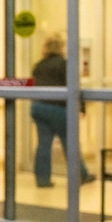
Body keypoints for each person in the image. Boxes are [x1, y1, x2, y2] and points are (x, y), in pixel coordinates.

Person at [30, 34, 92, 188]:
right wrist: (81, 108)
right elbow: (74, 87)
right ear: (60, 48)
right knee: (70, 142)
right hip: (58, 109)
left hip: (38, 107)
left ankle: (42, 179)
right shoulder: (64, 64)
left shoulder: (38, 65)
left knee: (43, 144)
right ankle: (81, 175)